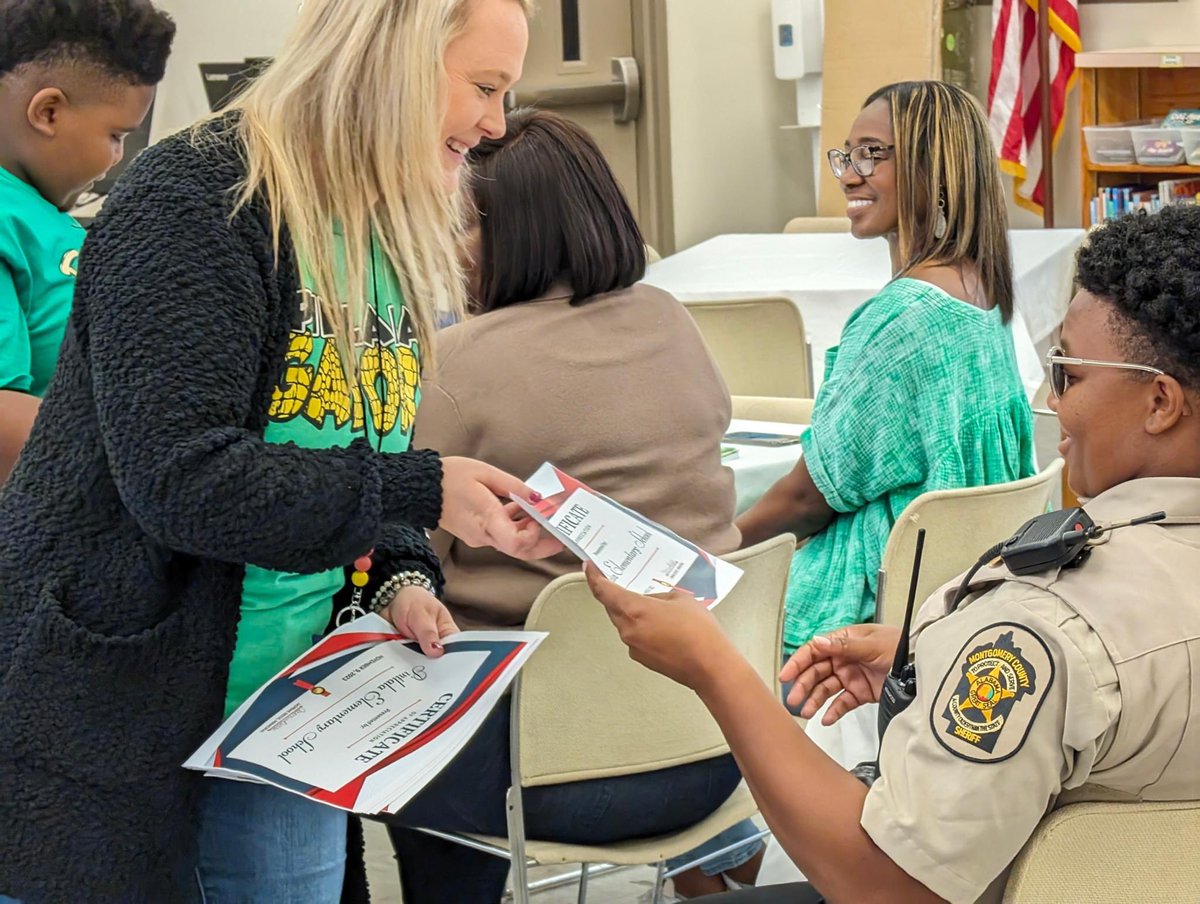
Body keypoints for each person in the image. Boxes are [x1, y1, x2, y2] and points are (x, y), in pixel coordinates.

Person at [0, 0, 564, 901]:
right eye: (485, 87)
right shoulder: (199, 199)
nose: (497, 124)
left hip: (291, 712)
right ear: (394, 62)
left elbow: (360, 441)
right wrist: (425, 490)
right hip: (125, 707)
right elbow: (183, 479)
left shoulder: (384, 224)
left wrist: (399, 576)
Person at [585, 205, 1200, 903]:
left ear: (1160, 402)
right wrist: (932, 660)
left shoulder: (1039, 633)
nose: (1053, 404)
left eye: (1070, 377)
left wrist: (717, 670)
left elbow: (889, 887)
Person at [382, 108, 755, 904]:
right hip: (719, 746)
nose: (448, 250)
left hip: (546, 775)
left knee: (392, 735)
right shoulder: (674, 322)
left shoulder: (456, 362)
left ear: (505, 239)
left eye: (459, 228)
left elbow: (408, 556)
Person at [736, 81, 1035, 661]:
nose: (849, 173)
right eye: (847, 154)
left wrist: (714, 553)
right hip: (970, 586)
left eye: (873, 153)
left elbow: (807, 498)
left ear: (936, 167)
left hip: (886, 601)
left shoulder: (902, 319)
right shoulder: (980, 288)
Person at [0, 0, 173, 481]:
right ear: (49, 112)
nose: (118, 157)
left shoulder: (43, 216)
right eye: (116, 135)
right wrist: (153, 461)